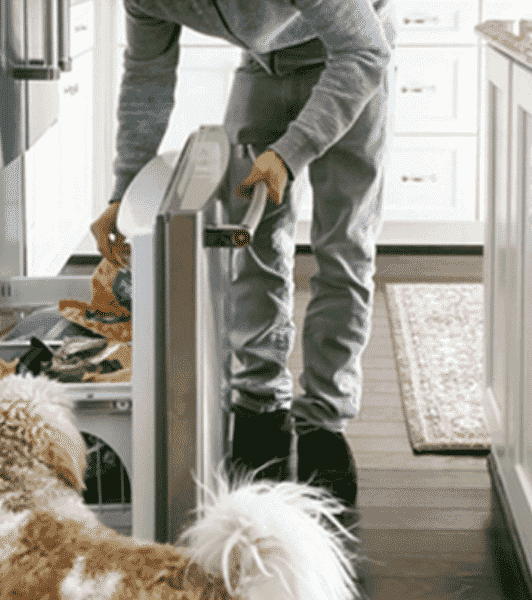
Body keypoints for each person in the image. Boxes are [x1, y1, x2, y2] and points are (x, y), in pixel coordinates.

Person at [90, 0, 396, 531]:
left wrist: (290, 151)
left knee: (342, 247)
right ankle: (260, 409)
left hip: (351, 59)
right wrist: (124, 189)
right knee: (251, 240)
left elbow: (365, 49)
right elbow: (146, 79)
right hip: (264, 64)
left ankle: (324, 424)